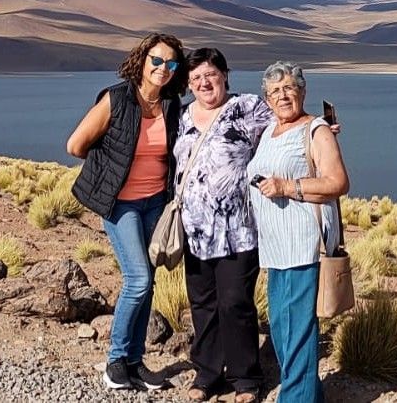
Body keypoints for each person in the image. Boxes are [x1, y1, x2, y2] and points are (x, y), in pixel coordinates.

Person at [67, 33, 189, 391]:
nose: (163, 69)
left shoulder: (171, 105)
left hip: (155, 203)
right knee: (137, 279)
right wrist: (111, 162)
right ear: (142, 58)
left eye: (171, 64)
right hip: (120, 203)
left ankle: (135, 364)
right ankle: (115, 361)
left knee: (148, 282)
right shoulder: (116, 98)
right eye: (157, 60)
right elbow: (75, 145)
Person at [248, 62, 349, 403]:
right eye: (275, 91)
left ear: (303, 91)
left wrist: (287, 186)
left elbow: (338, 182)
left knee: (296, 334)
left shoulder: (316, 130)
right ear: (266, 98)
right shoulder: (269, 131)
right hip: (276, 248)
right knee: (283, 331)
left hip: (303, 245)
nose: (283, 95)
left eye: (290, 88)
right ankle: (310, 395)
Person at [175, 47, 270, 403]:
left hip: (237, 231)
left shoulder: (248, 108)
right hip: (195, 231)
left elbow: (286, 130)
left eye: (210, 75)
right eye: (196, 78)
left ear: (225, 75)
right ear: (188, 83)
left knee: (235, 303)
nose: (204, 82)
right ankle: (208, 374)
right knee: (203, 304)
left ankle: (246, 377)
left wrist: (319, 130)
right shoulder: (182, 117)